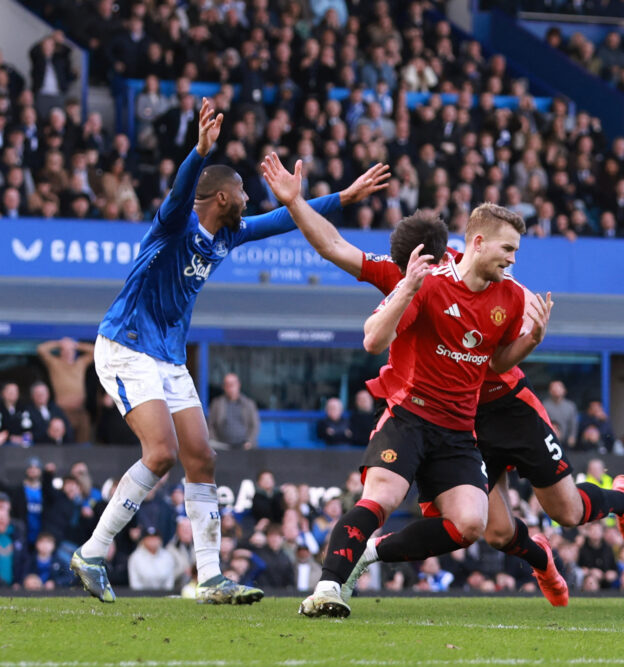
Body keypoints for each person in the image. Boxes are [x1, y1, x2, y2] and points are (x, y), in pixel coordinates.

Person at [261, 156, 624, 610]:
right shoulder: (421, 276)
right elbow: (334, 247)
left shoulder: (512, 295)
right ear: (478, 242)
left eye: (516, 252)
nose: (514, 260)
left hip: (502, 408)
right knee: (485, 528)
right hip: (430, 416)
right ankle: (338, 579)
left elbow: (497, 362)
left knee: (566, 512)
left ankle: (619, 499)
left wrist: (533, 340)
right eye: (508, 250)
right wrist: (294, 203)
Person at [69, 97, 387, 605]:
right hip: (126, 345)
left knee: (201, 458)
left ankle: (211, 577)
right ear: (219, 197)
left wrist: (343, 197)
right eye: (241, 191)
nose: (248, 199)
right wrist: (198, 152)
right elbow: (179, 194)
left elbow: (282, 221)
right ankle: (92, 552)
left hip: (168, 355)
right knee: (161, 454)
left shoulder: (228, 234)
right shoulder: (175, 224)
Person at [36, 338, 94, 443]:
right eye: (65, 351)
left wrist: (75, 345)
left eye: (70, 351)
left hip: (80, 411)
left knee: (84, 440)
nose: (68, 353)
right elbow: (41, 349)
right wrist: (59, 343)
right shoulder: (55, 364)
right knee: (66, 440)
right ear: (61, 352)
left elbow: (95, 351)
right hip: (63, 411)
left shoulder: (80, 363)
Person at [207, 373, 260, 450]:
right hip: (221, 445)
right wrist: (213, 439)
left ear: (238, 385)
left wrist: (249, 441)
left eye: (232, 384)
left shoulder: (248, 404)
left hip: (243, 445)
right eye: (227, 385)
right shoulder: (217, 404)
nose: (230, 388)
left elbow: (254, 426)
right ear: (224, 387)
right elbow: (210, 425)